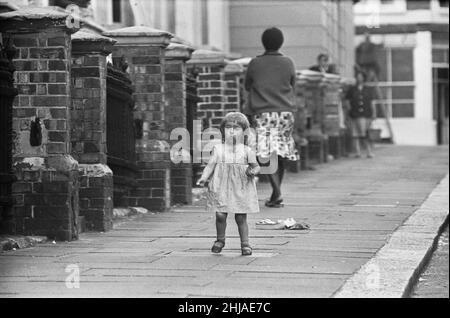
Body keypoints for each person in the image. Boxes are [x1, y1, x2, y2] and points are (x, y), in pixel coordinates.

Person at [244, 27, 299, 208]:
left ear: (263, 42)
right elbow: (292, 84)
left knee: (264, 154)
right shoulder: (288, 62)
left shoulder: (255, 63)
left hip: (263, 113)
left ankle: (277, 192)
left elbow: (247, 85)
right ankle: (276, 194)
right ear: (281, 42)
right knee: (280, 153)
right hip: (285, 113)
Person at [197, 112, 260, 256]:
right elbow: (210, 165)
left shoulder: (247, 150)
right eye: (228, 127)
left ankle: (245, 243)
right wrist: (203, 177)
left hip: (240, 185)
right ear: (223, 130)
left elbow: (256, 166)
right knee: (220, 214)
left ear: (244, 132)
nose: (231, 131)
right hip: (221, 185)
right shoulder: (218, 149)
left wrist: (253, 171)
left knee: (240, 216)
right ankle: (220, 240)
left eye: (236, 128)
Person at [344, 71, 378, 158]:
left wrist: (374, 113)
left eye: (361, 77)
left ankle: (368, 151)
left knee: (364, 133)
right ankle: (357, 152)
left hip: (365, 114)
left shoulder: (368, 89)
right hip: (354, 113)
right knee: (355, 133)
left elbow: (372, 102)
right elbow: (347, 101)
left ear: (363, 78)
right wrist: (349, 110)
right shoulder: (352, 89)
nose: (359, 78)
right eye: (358, 77)